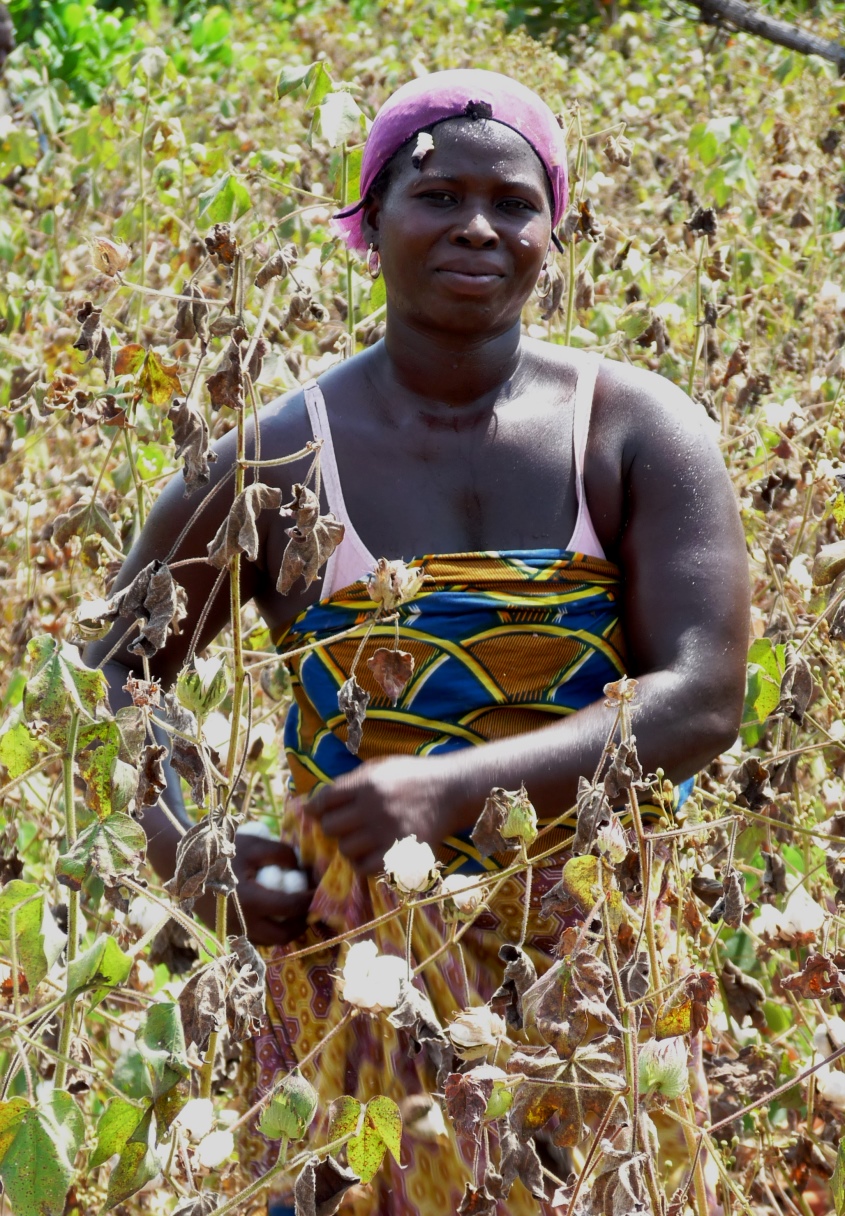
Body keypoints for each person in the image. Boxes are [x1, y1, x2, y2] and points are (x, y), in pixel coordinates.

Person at [89, 70, 750, 1215]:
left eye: (512, 201)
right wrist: (187, 845)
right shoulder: (277, 455)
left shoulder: (639, 430)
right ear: (371, 220)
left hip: (590, 961)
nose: (478, 227)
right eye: (438, 196)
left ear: (553, 229)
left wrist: (445, 790)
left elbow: (700, 696)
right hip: (363, 958)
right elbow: (115, 674)